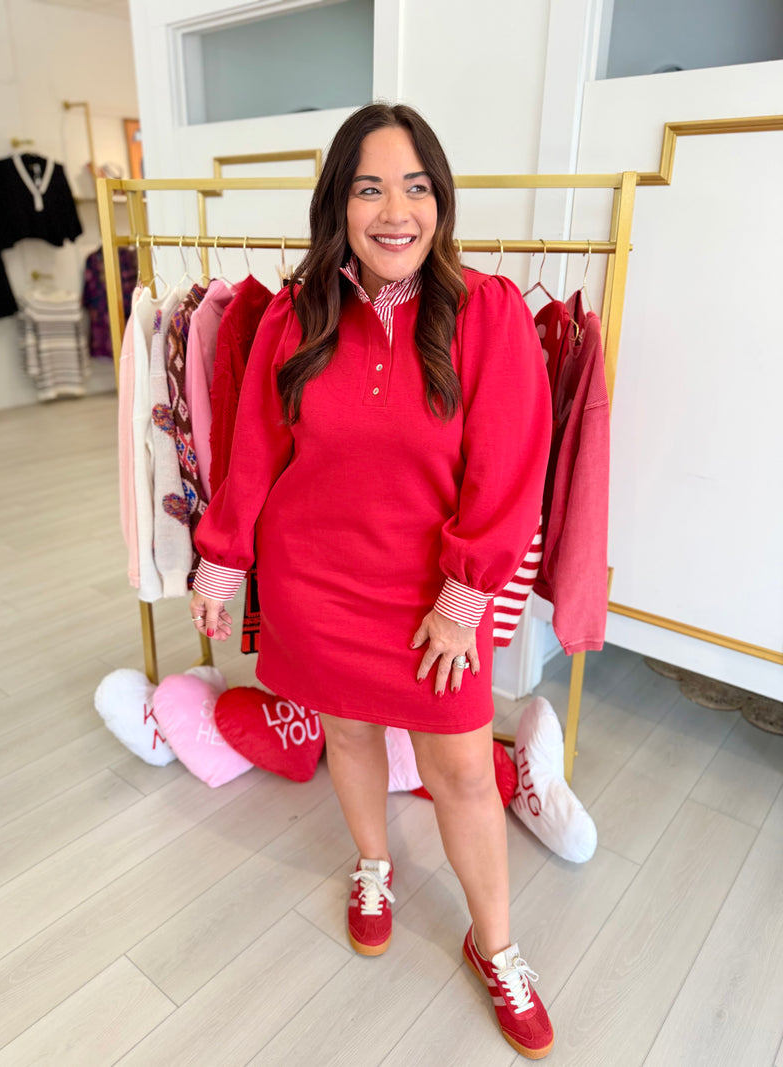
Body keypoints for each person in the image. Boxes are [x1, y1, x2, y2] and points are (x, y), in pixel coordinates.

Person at [190, 102, 554, 1059]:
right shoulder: (295, 315)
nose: (396, 211)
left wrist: (462, 601)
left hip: (436, 601)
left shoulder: (488, 312)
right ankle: (374, 864)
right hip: (316, 581)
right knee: (347, 732)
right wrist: (223, 560)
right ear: (338, 206)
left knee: (463, 770)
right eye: (369, 189)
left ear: (440, 200)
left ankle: (496, 944)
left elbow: (511, 471)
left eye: (415, 187)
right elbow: (254, 449)